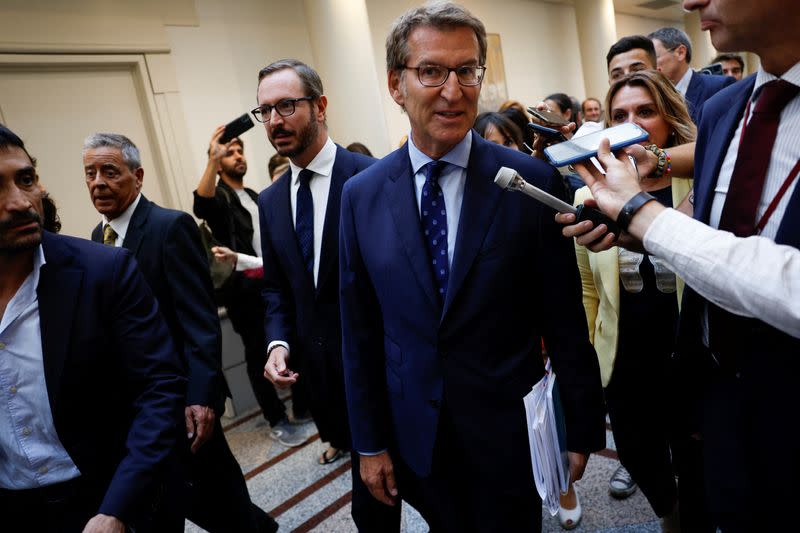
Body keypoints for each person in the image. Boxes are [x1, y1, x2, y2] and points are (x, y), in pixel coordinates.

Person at [339, 4, 605, 532]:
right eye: (432, 71)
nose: (454, 90)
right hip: (416, 432)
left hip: (507, 432)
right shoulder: (362, 195)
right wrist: (368, 444)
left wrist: (580, 424)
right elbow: (360, 329)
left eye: (468, 70)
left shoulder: (527, 180)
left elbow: (563, 314)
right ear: (397, 84)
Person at [563, 0, 800, 529]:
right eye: (618, 113)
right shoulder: (725, 112)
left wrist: (645, 218)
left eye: (644, 112)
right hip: (715, 401)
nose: (691, 3)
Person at [84, 133, 278, 533]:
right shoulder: (95, 239)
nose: (98, 182)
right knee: (171, 502)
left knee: (223, 503)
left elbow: (200, 319)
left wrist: (201, 396)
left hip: (185, 404)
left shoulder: (169, 227)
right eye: (90, 173)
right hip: (138, 409)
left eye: (109, 171)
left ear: (137, 177)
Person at [0, 124, 185, 532]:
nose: (20, 202)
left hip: (112, 498)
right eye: (90, 173)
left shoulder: (105, 267)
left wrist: (118, 509)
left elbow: (162, 379)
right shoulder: (99, 237)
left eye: (26, 179)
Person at [255, 59, 400, 533]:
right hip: (327, 387)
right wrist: (278, 343)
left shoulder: (373, 178)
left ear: (319, 106)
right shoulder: (271, 201)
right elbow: (278, 287)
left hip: (390, 379)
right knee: (374, 514)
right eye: (265, 111)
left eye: (286, 106)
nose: (275, 121)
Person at [572, 71, 712, 532]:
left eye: (645, 112)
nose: (631, 123)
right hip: (627, 357)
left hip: (691, 354)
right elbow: (589, 290)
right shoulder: (587, 195)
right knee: (637, 453)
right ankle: (668, 512)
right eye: (619, 116)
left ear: (669, 121)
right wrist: (593, 359)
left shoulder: (700, 187)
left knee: (698, 461)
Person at [194, 132, 308, 448]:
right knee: (258, 353)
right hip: (243, 293)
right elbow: (200, 205)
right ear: (219, 162)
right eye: (230, 153)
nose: (238, 156)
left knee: (291, 341)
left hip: (270, 281)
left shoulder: (256, 195)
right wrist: (212, 159)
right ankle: (277, 419)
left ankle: (301, 407)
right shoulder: (219, 199)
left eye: (240, 150)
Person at [649, 27, 735, 123]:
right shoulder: (652, 95)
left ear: (680, 53)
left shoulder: (719, 87)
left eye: (655, 57)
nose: (650, 65)